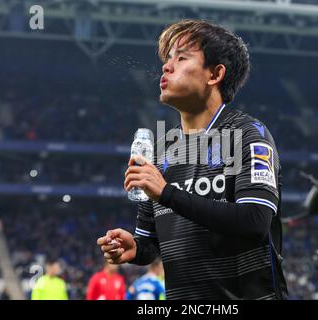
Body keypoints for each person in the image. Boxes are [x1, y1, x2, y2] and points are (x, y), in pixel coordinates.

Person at [97, 19, 288, 300]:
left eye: (182, 57)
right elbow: (151, 243)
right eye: (167, 58)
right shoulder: (162, 150)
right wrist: (136, 249)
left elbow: (254, 221)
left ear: (215, 74)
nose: (166, 66)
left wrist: (166, 193)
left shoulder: (248, 134)